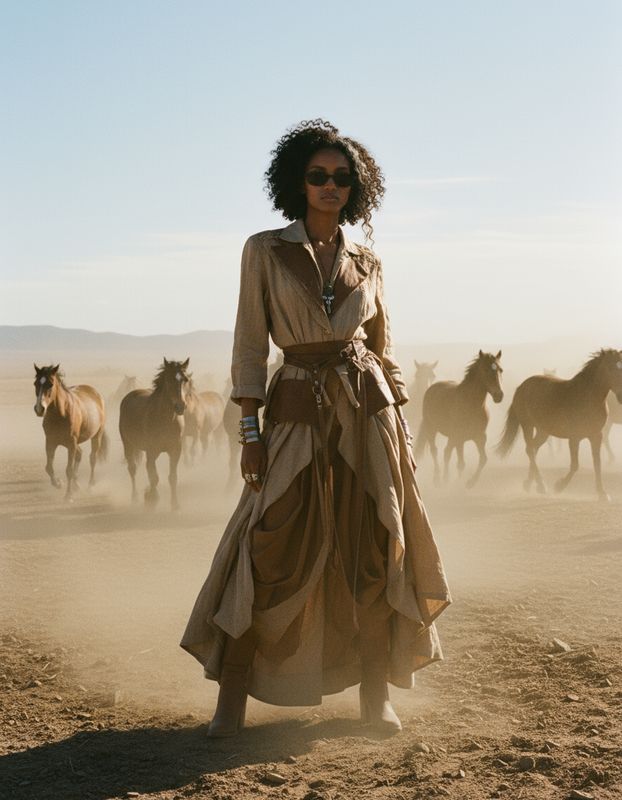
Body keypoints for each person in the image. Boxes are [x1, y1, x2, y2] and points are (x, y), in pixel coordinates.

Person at [181, 119, 451, 737]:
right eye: (318, 176)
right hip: (297, 411)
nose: (331, 186)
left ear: (357, 189)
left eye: (342, 178)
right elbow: (250, 344)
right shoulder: (263, 250)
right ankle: (233, 700)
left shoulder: (370, 261)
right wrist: (249, 436)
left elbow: (384, 349)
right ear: (297, 182)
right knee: (268, 546)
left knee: (373, 549)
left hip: (367, 416)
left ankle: (374, 697)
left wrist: (401, 439)